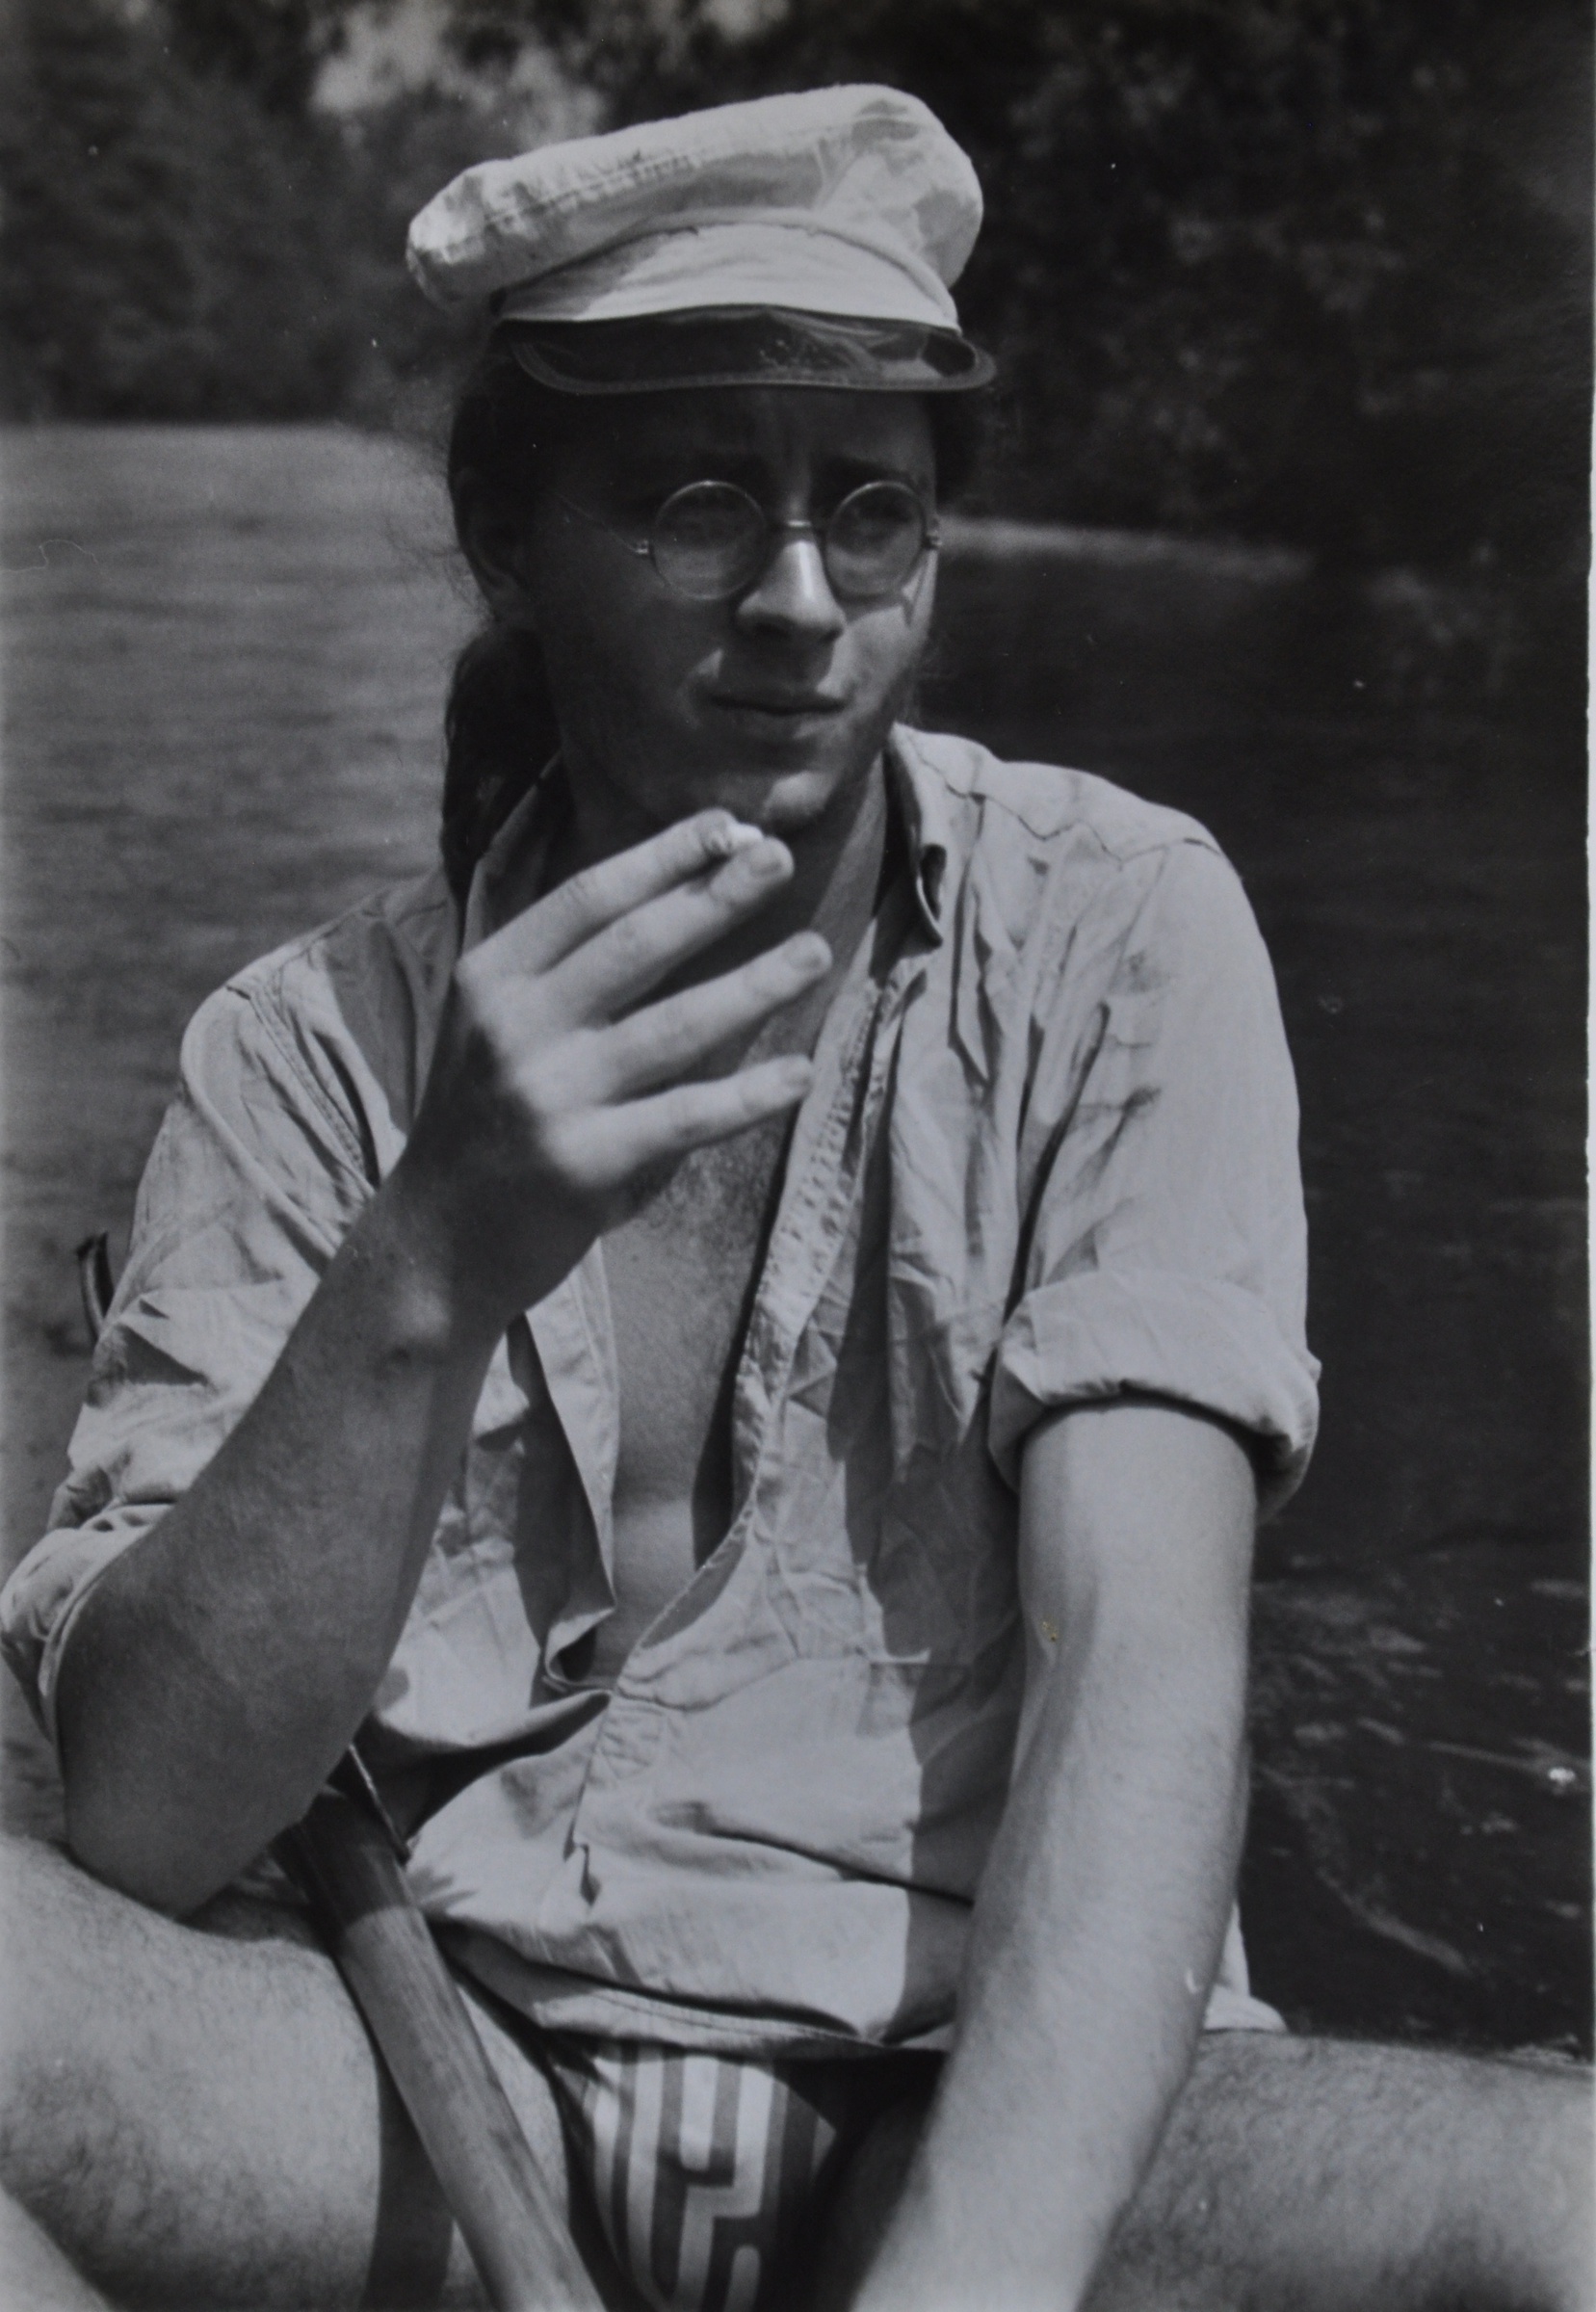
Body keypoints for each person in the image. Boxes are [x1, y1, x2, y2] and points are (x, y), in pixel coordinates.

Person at [0, 84, 1586, 2312]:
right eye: (695, 507)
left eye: (872, 512)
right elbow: (146, 1818)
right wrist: (429, 1254)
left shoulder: (1118, 934)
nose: (800, 600)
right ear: (506, 532)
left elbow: (1143, 1681)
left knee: (1566, 2208)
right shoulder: (293, 1055)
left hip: (964, 2108)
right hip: (396, 2105)